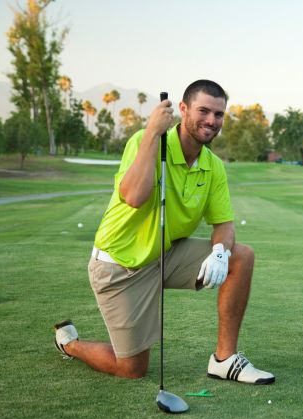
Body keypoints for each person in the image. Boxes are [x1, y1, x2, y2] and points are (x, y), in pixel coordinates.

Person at [53, 80, 274, 384]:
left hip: (164, 255)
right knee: (131, 368)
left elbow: (223, 224)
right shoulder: (145, 141)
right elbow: (133, 196)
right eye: (204, 111)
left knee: (241, 257)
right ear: (182, 109)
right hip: (119, 265)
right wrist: (152, 135)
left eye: (219, 114)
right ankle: (70, 345)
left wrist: (221, 252)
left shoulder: (213, 166)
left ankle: (224, 359)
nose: (212, 120)